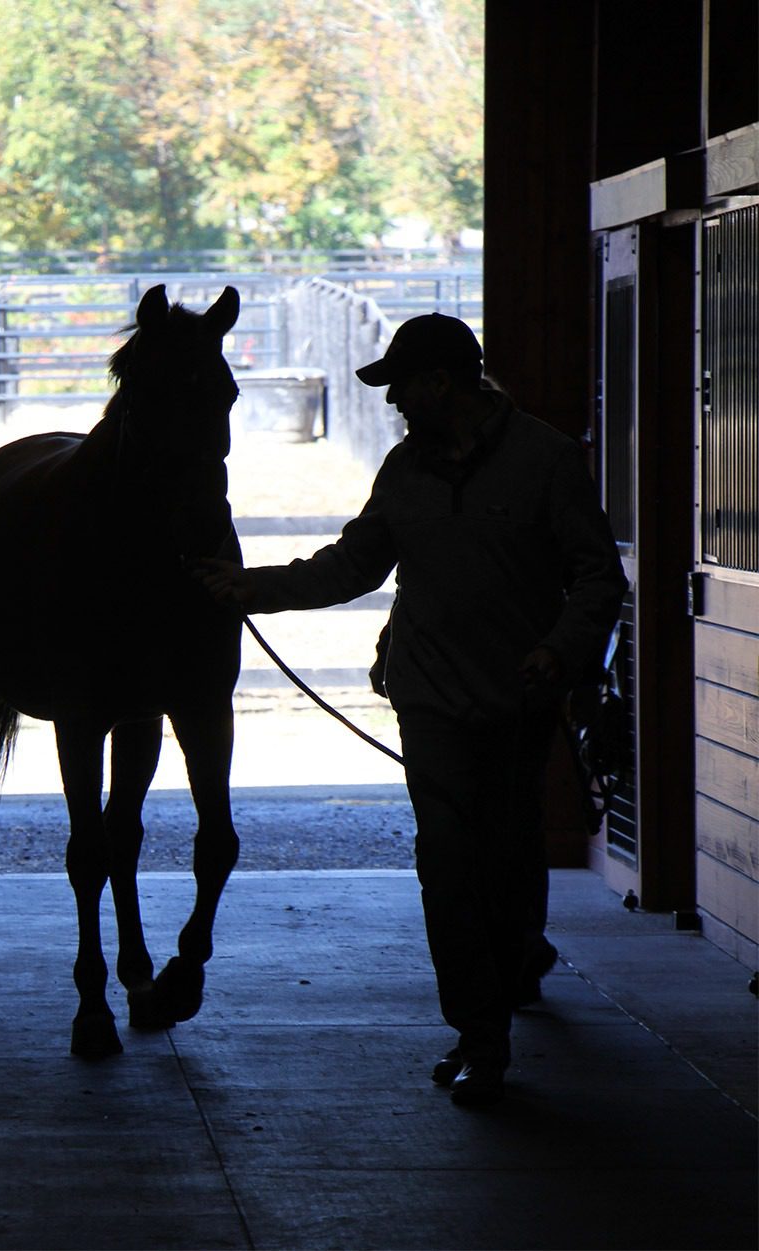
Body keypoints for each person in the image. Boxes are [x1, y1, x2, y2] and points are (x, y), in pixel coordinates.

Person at [197, 313, 627, 1106]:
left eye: (401, 384)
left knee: (507, 856)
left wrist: (558, 651)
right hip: (428, 696)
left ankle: (514, 959)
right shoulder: (404, 469)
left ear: (441, 383)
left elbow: (599, 578)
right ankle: (480, 1035)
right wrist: (256, 585)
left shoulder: (546, 461)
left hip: (518, 699)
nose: (392, 400)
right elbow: (354, 562)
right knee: (448, 861)